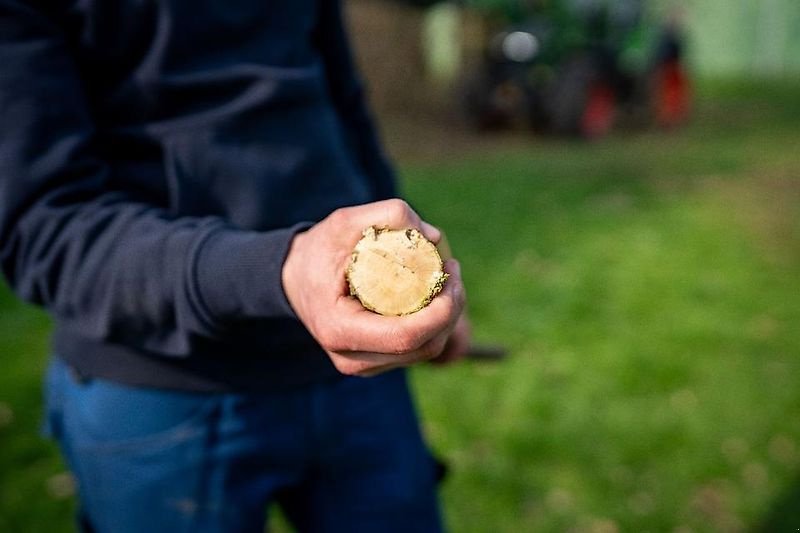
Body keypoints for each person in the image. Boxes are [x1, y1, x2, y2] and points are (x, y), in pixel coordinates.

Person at [0, 0, 470, 531]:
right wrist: (279, 271)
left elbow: (343, 107)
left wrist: (426, 267)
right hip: (163, 390)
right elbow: (44, 226)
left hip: (358, 376)